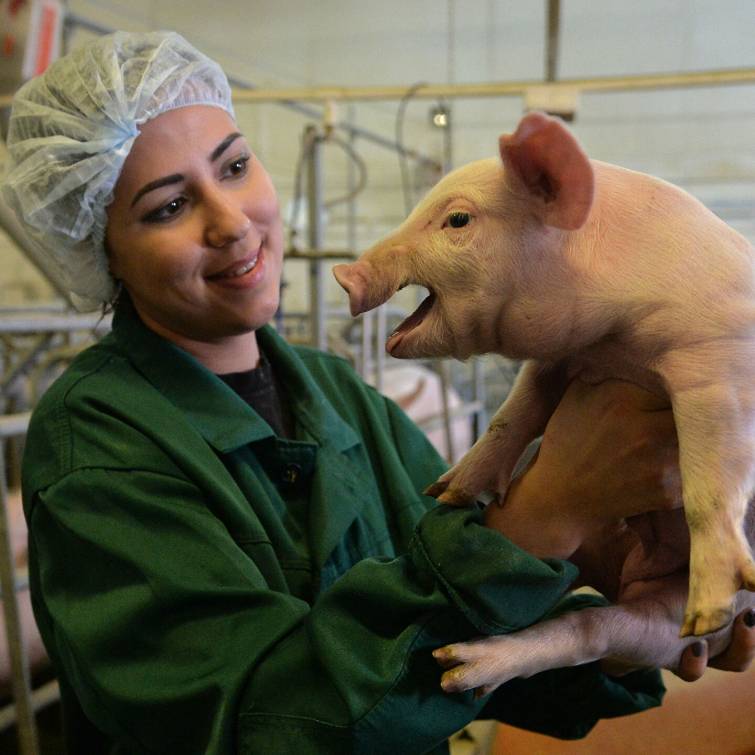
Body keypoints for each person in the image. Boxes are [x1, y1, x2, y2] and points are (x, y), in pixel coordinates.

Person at [2, 31, 752, 755]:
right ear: (100, 253)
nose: (232, 223)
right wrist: (542, 513)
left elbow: (460, 667)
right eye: (168, 207)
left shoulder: (337, 395)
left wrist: (620, 630)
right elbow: (267, 729)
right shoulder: (96, 448)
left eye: (234, 166)